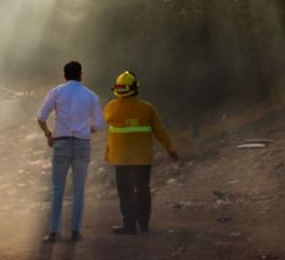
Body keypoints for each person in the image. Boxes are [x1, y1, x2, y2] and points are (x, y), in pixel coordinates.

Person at [36, 60, 104, 243]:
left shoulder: (57, 92)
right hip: (82, 144)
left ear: (64, 75)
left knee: (58, 188)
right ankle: (75, 231)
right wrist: (85, 131)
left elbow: (41, 117)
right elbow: (99, 124)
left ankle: (54, 232)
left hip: (61, 143)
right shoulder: (91, 96)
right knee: (79, 189)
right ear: (81, 74)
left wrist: (48, 134)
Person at [103, 70, 178, 235]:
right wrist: (170, 148)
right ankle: (144, 224)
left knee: (126, 191)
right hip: (142, 157)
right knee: (143, 189)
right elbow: (160, 131)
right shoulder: (147, 108)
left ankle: (129, 225)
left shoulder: (111, 107)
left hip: (121, 158)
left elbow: (101, 122)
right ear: (135, 88)